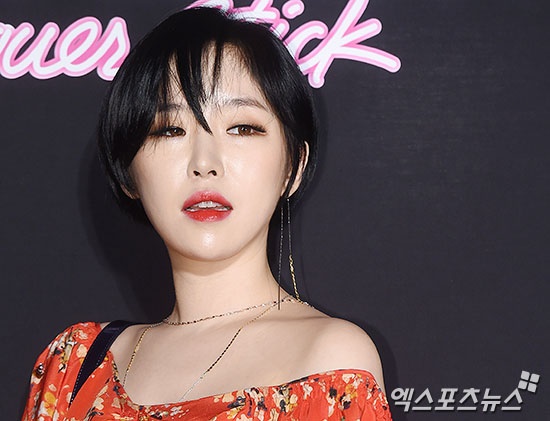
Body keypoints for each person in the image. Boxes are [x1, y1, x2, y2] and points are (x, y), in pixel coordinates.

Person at [22, 7, 392, 421]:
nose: (204, 163)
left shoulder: (329, 360)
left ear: (293, 167)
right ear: (128, 172)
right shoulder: (74, 366)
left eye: (242, 128)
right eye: (170, 129)